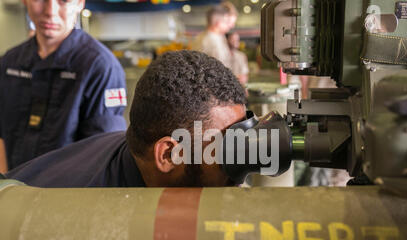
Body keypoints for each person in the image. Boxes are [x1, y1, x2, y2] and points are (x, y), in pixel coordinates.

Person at [5, 50, 247, 188]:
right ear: (168, 155)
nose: (240, 158)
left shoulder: (135, 151)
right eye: (226, 150)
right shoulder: (84, 220)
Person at [0, 0, 127, 173]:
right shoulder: (9, 62)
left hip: (68, 194)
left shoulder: (100, 67)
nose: (50, 11)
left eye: (64, 1)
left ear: (80, 3)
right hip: (15, 190)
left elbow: (102, 154)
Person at [190, 3, 237, 69]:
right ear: (219, 22)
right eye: (228, 22)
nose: (232, 26)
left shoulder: (218, 36)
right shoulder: (210, 41)